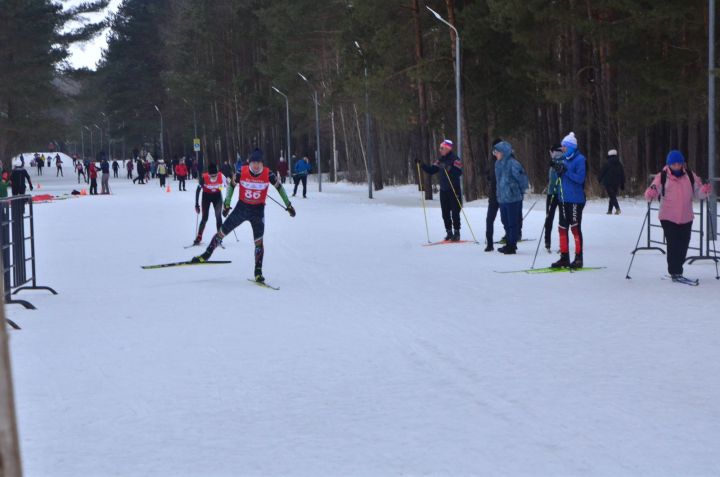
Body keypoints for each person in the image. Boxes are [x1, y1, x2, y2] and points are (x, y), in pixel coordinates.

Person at [192, 148, 296, 283]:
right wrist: (227, 204)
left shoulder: (268, 173)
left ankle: (258, 272)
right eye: (254, 162)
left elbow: (280, 188)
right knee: (222, 232)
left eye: (259, 162)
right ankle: (206, 255)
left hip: (258, 212)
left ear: (262, 163)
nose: (256, 165)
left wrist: (288, 205)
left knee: (259, 242)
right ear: (249, 162)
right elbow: (231, 186)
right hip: (242, 208)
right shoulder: (242, 171)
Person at [645, 150, 711, 281]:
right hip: (668, 216)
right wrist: (650, 193)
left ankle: (677, 269)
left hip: (686, 216)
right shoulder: (662, 176)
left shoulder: (690, 176)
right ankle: (675, 271)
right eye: (673, 164)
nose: (676, 166)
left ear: (683, 164)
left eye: (679, 163)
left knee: (683, 244)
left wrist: (704, 190)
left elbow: (698, 194)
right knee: (673, 243)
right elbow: (650, 191)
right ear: (669, 164)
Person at [551, 132, 587, 269]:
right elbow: (562, 176)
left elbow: (580, 179)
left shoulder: (580, 159)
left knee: (575, 228)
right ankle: (564, 257)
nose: (563, 150)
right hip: (563, 198)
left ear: (571, 147)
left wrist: (565, 171)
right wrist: (557, 170)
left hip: (575, 200)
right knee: (562, 228)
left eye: (565, 147)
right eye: (562, 148)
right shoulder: (565, 159)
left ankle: (578, 258)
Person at [420, 139, 463, 241]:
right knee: (445, 212)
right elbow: (432, 170)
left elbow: (459, 172)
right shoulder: (440, 160)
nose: (440, 150)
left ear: (448, 148)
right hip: (444, 190)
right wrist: (422, 165)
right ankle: (449, 232)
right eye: (440, 148)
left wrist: (448, 168)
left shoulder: (455, 159)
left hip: (453, 188)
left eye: (442, 148)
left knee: (455, 212)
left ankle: (456, 232)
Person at [492, 140, 528, 254]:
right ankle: (509, 242)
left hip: (513, 198)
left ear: (503, 152)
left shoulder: (513, 163)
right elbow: (498, 182)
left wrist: (519, 192)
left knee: (513, 222)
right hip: (502, 198)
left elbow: (522, 179)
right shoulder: (497, 164)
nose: (495, 154)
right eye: (494, 152)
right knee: (505, 220)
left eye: (496, 152)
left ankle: (512, 245)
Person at [193, 163, 224, 245]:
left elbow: (228, 186)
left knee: (218, 216)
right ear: (209, 174)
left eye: (215, 175)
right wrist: (196, 204)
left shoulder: (221, 176)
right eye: (212, 176)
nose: (214, 177)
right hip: (206, 196)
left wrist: (226, 204)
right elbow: (198, 191)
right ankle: (199, 237)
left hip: (217, 196)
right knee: (205, 217)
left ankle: (219, 237)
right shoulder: (204, 177)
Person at [544, 144, 563, 253]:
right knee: (550, 218)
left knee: (557, 219)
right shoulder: (554, 161)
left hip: (558, 194)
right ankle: (547, 242)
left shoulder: (559, 160)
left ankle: (559, 243)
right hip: (552, 193)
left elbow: (558, 177)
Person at [484, 139, 502, 252]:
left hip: (505, 194)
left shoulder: (507, 160)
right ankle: (489, 243)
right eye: (494, 148)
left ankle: (511, 242)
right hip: (493, 195)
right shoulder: (491, 160)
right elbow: (488, 174)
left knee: (506, 220)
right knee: (489, 219)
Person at [598, 149, 625, 215]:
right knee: (612, 196)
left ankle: (617, 209)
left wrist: (599, 179)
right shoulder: (619, 164)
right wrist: (622, 183)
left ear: (609, 155)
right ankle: (609, 210)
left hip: (608, 182)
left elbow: (602, 172)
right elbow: (622, 174)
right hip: (616, 183)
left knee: (612, 196)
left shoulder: (607, 163)